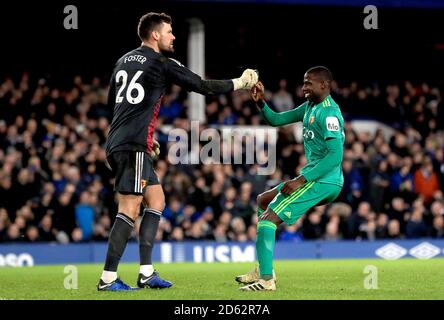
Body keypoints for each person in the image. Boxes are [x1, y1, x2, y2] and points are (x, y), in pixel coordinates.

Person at [97, 12, 258, 291]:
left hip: (126, 141)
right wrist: (240, 83)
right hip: (132, 145)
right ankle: (108, 278)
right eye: (169, 32)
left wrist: (146, 135)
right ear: (155, 35)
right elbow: (202, 86)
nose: (173, 37)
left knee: (156, 201)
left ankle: (146, 272)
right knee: (130, 207)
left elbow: (114, 103)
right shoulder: (160, 62)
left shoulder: (123, 60)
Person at [236, 66, 344, 291]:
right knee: (263, 200)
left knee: (267, 219)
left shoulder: (329, 112)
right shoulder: (309, 107)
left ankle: (266, 280)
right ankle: (262, 266)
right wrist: (260, 103)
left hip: (324, 179)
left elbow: (335, 156)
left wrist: (301, 180)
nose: (304, 87)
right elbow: (276, 120)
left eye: (309, 83)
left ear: (324, 85)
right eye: (303, 82)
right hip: (315, 176)